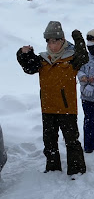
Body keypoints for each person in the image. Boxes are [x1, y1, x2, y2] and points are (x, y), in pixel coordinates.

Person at [17, 21, 88, 176]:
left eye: (55, 41)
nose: (51, 44)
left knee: (71, 142)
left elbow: (84, 57)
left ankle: (76, 170)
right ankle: (52, 168)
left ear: (62, 40)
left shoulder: (71, 59)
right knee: (49, 142)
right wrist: (23, 54)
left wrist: (78, 38)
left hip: (66, 108)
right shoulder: (43, 60)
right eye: (49, 41)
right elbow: (28, 67)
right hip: (48, 108)